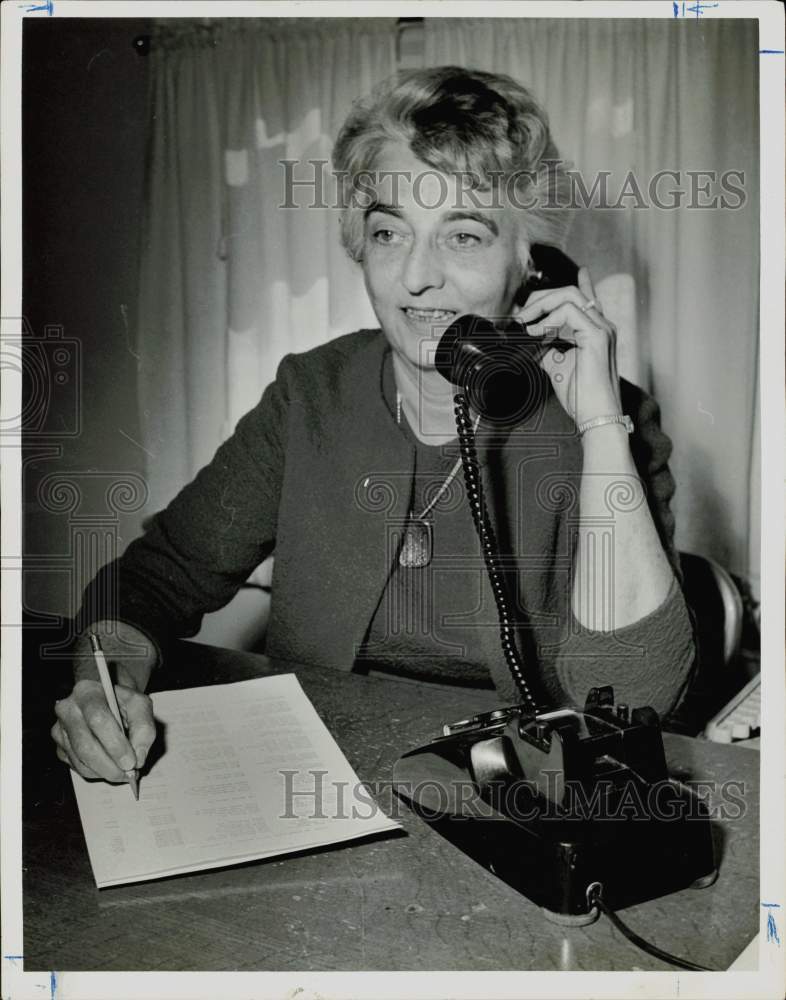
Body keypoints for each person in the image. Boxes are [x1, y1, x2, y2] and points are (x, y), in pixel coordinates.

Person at [51, 66, 695, 785]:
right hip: (312, 779)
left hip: (510, 802)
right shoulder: (311, 395)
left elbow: (635, 698)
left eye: (465, 236)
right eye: (390, 232)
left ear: (532, 264)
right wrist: (100, 687)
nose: (416, 277)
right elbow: (151, 583)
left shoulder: (606, 418)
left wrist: (600, 425)